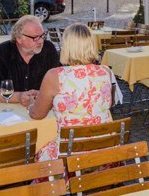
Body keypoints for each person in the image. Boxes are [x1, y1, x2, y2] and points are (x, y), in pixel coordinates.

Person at [29, 23, 114, 160]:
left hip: (69, 154)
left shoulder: (55, 76)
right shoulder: (105, 72)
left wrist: (31, 103)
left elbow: (37, 114)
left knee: (34, 154)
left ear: (67, 47)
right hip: (104, 149)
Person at [0, 15, 61, 107]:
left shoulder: (48, 49)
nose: (41, 41)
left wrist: (43, 95)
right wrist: (19, 97)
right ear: (19, 39)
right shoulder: (1, 53)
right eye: (35, 37)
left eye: (42, 35)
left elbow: (59, 83)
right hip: (8, 109)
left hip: (41, 108)